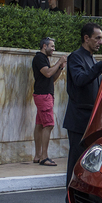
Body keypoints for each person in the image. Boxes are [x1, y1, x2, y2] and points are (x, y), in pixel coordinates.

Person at [63, 23, 102, 203]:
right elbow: (80, 80)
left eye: (101, 38)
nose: (101, 42)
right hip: (78, 120)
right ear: (86, 38)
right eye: (97, 38)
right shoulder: (75, 57)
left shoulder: (90, 58)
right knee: (75, 163)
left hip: (91, 119)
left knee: (89, 163)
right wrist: (101, 64)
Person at [32, 37, 67, 166]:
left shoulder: (44, 59)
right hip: (43, 96)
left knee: (40, 124)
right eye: (52, 46)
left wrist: (60, 68)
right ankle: (44, 157)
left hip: (44, 95)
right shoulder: (39, 58)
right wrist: (59, 62)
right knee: (49, 124)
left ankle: (37, 155)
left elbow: (51, 78)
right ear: (44, 46)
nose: (54, 49)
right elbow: (47, 73)